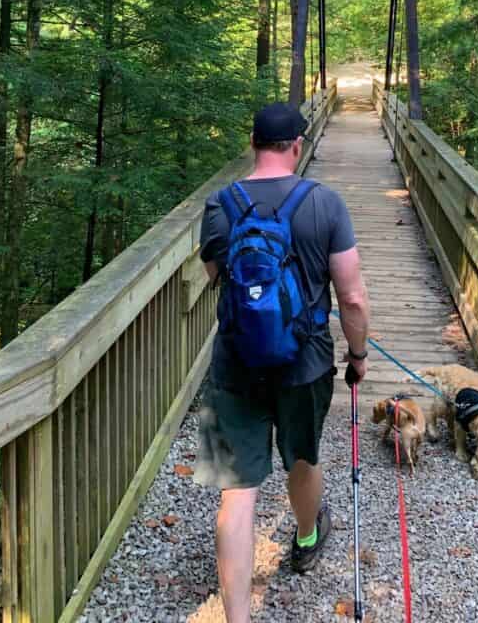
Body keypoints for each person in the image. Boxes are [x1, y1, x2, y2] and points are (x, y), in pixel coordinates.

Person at [194, 101, 370, 623]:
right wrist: (358, 356)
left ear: (252, 144)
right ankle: (308, 534)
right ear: (298, 145)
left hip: (234, 362)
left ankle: (237, 619)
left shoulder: (219, 204)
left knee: (237, 491)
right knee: (302, 457)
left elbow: (214, 277)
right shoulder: (325, 203)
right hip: (306, 362)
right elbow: (354, 298)